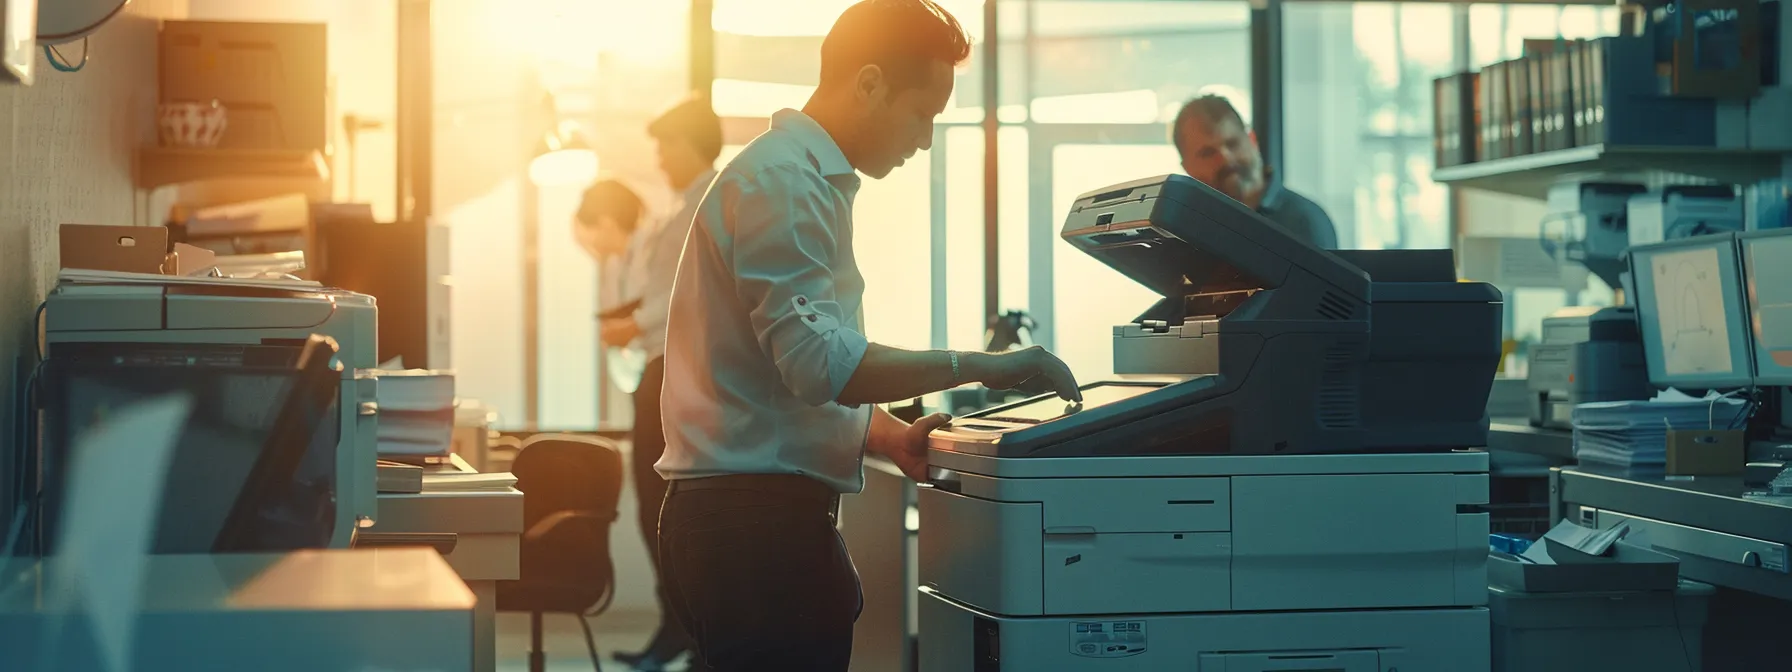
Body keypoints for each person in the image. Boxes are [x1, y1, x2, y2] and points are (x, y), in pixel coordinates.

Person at [654, 1, 1082, 669]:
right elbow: (818, 366)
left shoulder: (803, 181)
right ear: (870, 83)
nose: (927, 139)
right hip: (751, 527)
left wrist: (886, 435)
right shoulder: (781, 182)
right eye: (923, 113)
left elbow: (782, 379)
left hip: (752, 522)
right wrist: (982, 365)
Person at [602, 95, 722, 672]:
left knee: (662, 506)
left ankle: (688, 633)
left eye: (664, 147)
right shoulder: (687, 206)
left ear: (690, 145)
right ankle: (678, 628)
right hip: (666, 367)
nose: (659, 159)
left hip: (671, 369)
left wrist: (632, 323)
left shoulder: (705, 204)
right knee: (661, 506)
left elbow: (684, 297)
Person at [1171, 94, 1340, 249]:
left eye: (1232, 143)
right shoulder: (1183, 228)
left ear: (1252, 140)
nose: (1226, 159)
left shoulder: (1304, 221)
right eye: (1207, 153)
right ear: (1187, 168)